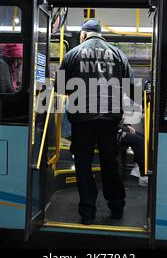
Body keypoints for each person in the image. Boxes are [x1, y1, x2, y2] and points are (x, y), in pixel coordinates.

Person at [56, 19, 135, 225]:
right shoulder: (118, 54)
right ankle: (116, 207)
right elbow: (131, 89)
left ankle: (87, 213)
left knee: (83, 164)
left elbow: (60, 88)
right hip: (110, 119)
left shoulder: (72, 54)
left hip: (81, 119)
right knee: (110, 163)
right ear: (100, 34)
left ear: (83, 34)